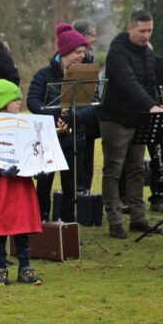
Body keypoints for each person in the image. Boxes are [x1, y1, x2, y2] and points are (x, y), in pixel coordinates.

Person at [99, 10, 163, 239]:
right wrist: (151, 106)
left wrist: (158, 102)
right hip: (116, 118)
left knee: (137, 169)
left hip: (138, 118)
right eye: (142, 31)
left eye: (150, 31)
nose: (147, 35)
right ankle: (114, 219)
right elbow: (129, 83)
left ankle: (138, 217)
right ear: (130, 28)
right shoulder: (117, 52)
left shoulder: (147, 51)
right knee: (113, 170)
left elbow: (150, 81)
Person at [0, 79, 42, 286]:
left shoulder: (23, 123)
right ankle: (0, 267)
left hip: (19, 185)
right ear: (3, 102)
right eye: (15, 99)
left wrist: (39, 166)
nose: (19, 103)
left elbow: (32, 149)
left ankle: (25, 266)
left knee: (21, 228)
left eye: (19, 99)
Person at [27, 23, 93, 223]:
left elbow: (94, 105)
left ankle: (67, 226)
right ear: (64, 52)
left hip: (74, 139)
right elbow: (32, 101)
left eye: (83, 51)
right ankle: (41, 222)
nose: (82, 55)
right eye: (77, 52)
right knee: (44, 185)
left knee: (70, 187)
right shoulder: (44, 75)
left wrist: (73, 116)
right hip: (48, 138)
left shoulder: (86, 74)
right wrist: (56, 116)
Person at [72, 19, 100, 194]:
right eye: (93, 35)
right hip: (75, 117)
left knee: (87, 159)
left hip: (88, 117)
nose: (95, 39)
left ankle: (85, 192)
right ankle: (77, 191)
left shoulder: (89, 57)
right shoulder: (78, 60)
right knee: (78, 161)